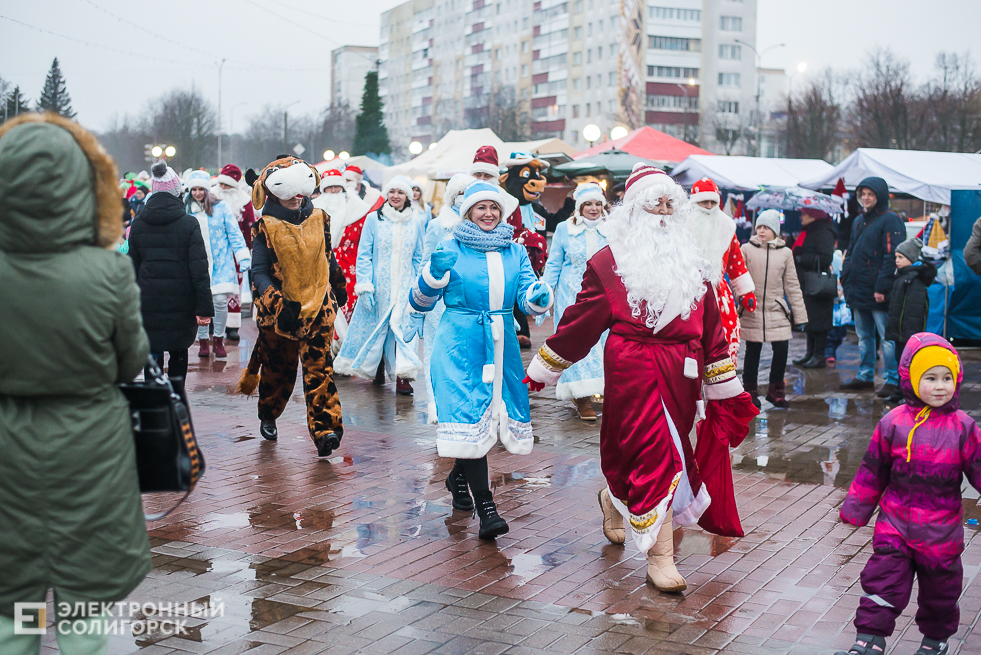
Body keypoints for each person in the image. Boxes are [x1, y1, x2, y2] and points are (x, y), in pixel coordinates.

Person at [524, 165, 758, 592]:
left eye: (671, 203)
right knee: (658, 456)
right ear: (634, 210)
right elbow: (581, 323)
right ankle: (660, 557)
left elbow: (712, 331)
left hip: (683, 373)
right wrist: (545, 368)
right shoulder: (608, 262)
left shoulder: (695, 262)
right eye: (655, 204)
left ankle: (612, 500)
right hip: (632, 368)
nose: (665, 213)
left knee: (647, 455)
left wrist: (724, 387)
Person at [0, 113, 152, 654]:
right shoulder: (107, 271)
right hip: (90, 446)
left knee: (8, 612)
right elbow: (132, 360)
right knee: (84, 609)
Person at [405, 180, 553, 539]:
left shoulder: (514, 251)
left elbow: (526, 297)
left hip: (501, 344)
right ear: (468, 211)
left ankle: (458, 477)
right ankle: (487, 507)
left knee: (484, 420)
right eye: (480, 208)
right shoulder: (449, 245)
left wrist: (537, 294)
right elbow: (419, 302)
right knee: (468, 414)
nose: (488, 214)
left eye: (493, 208)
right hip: (458, 344)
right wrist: (433, 275)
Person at [837, 334, 979, 655]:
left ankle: (934, 641)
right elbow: (873, 469)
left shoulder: (964, 427)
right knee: (882, 580)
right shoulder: (894, 423)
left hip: (941, 534)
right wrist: (857, 508)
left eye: (947, 378)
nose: (940, 386)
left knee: (940, 592)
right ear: (913, 380)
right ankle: (869, 638)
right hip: (895, 525)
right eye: (930, 378)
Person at [236, 156, 347, 457]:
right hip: (281, 316)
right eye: (290, 193)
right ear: (272, 194)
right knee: (278, 372)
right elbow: (258, 271)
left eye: (301, 192)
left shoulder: (320, 218)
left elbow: (328, 256)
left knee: (319, 372)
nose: (297, 198)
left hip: (318, 312)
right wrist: (277, 303)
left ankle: (326, 431)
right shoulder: (265, 227)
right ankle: (268, 414)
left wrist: (338, 284)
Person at [130, 162, 215, 397]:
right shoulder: (188, 224)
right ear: (179, 192)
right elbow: (199, 270)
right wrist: (204, 308)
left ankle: (155, 401)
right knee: (179, 350)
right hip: (181, 302)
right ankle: (177, 400)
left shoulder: (138, 224)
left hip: (148, 302)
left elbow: (131, 269)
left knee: (152, 351)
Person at [335, 175, 425, 395]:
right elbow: (363, 254)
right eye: (392, 191)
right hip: (378, 287)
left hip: (405, 287)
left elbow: (419, 257)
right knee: (377, 330)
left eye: (400, 192)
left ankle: (404, 377)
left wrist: (417, 284)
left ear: (408, 196)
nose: (396, 196)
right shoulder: (374, 219)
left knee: (403, 332)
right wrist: (365, 285)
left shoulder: (415, 222)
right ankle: (376, 366)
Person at [540, 182, 610, 421]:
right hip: (572, 295)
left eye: (598, 204)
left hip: (604, 294)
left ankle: (605, 388)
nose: (594, 208)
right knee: (577, 341)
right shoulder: (564, 229)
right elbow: (554, 264)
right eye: (588, 204)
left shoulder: (612, 229)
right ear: (579, 207)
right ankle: (581, 397)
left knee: (605, 342)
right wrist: (545, 292)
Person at [417, 173, 483, 422]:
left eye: (469, 193)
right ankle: (439, 406)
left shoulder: (483, 225)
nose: (464, 198)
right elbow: (425, 264)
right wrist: (418, 306)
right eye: (460, 193)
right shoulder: (437, 226)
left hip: (471, 301)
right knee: (438, 355)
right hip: (440, 304)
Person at [840, 177, 906, 397]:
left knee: (886, 338)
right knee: (863, 336)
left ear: (880, 196)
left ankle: (892, 379)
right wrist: (845, 277)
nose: (866, 198)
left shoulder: (891, 220)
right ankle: (865, 375)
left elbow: (892, 257)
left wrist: (881, 287)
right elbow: (850, 250)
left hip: (878, 291)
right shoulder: (859, 220)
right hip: (857, 288)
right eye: (863, 194)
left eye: (870, 194)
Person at [739, 209, 808, 409]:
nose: (761, 231)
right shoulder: (746, 249)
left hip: (777, 309)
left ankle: (776, 390)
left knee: (782, 350)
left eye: (766, 227)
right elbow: (737, 278)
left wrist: (800, 316)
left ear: (775, 231)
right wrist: (742, 298)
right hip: (752, 308)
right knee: (752, 351)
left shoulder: (786, 253)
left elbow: (792, 285)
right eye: (759, 227)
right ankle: (750, 392)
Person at [687, 177, 755, 363]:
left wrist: (746, 292)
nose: (708, 206)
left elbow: (736, 262)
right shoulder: (681, 226)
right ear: (694, 203)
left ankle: (721, 385)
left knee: (722, 340)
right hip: (686, 292)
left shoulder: (726, 227)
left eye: (712, 202)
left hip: (718, 295)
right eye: (704, 202)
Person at [185, 170, 251, 359]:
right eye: (194, 189)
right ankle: (204, 340)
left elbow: (234, 232)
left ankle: (219, 339)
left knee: (220, 302)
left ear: (207, 190)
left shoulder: (221, 207)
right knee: (200, 303)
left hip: (221, 262)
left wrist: (243, 256)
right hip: (196, 264)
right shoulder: (186, 209)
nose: (197, 193)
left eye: (201, 189)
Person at [312, 168, 370, 348]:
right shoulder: (312, 211)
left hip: (350, 266)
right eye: (329, 188)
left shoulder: (359, 211)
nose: (333, 192)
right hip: (319, 265)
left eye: (337, 187)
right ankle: (327, 350)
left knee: (348, 304)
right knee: (323, 306)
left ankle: (345, 348)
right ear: (323, 190)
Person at [884, 238, 936, 403]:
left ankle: (909, 395)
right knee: (900, 363)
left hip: (908, 334)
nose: (896, 261)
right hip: (900, 333)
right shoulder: (903, 277)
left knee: (908, 364)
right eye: (896, 257)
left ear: (911, 259)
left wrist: (909, 335)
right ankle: (900, 391)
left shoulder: (914, 281)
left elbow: (914, 311)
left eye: (900, 257)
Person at [212, 164, 257, 342]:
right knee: (211, 286)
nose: (223, 188)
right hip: (214, 250)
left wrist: (248, 250)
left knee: (233, 289)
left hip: (234, 252)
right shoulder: (210, 197)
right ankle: (211, 322)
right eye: (221, 184)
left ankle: (231, 326)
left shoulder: (244, 202)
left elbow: (249, 228)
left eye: (227, 185)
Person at [333, 165, 384, 321]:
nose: (346, 184)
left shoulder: (373, 200)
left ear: (357, 182)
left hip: (356, 256)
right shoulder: (336, 202)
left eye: (349, 180)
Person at [792, 206, 838, 369]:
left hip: (817, 284)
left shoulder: (824, 232)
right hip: (807, 283)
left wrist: (802, 258)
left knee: (819, 321)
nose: (801, 217)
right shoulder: (808, 231)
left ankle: (819, 355)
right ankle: (810, 353)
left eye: (804, 214)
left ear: (813, 216)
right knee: (809, 320)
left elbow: (825, 258)